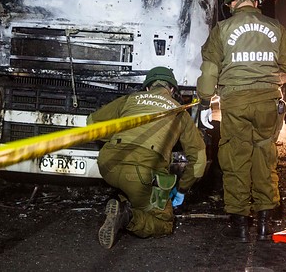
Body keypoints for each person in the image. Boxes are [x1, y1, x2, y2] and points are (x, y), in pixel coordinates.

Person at [196, 0, 286, 243]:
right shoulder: (275, 27)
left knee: (235, 160)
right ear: (257, 0)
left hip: (236, 103)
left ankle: (241, 226)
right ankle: (265, 223)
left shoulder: (222, 29)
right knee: (264, 158)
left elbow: (209, 71)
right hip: (268, 103)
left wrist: (205, 101)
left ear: (231, 3)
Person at [88, 66, 207, 249]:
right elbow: (198, 159)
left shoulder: (130, 99)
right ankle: (126, 216)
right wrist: (182, 189)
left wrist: (116, 139)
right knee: (164, 223)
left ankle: (124, 201)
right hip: (141, 171)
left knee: (134, 188)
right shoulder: (179, 111)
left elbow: (92, 122)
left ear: (147, 88)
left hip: (108, 163)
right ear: (173, 90)